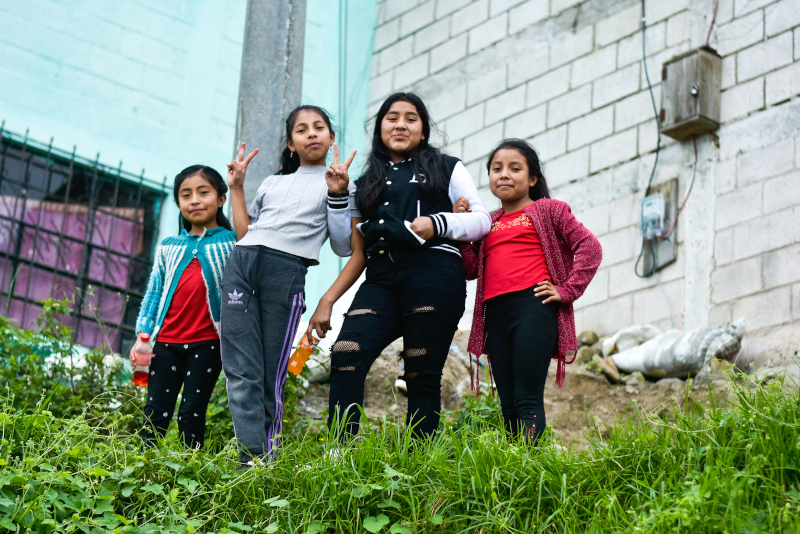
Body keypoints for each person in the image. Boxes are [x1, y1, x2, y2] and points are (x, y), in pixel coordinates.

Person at [307, 92, 491, 441]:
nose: (401, 124)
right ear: (379, 128)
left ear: (423, 131)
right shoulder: (364, 183)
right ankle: (337, 456)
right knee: (346, 354)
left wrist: (437, 223)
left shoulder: (447, 167)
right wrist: (338, 194)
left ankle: (420, 461)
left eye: (411, 118)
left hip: (434, 271)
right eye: (392, 117)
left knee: (421, 371)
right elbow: (346, 245)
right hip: (380, 278)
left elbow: (481, 220)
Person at [221, 105, 356, 466]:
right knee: (239, 367)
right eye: (302, 130)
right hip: (242, 264)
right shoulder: (271, 182)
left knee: (269, 371)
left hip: (285, 271)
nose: (311, 133)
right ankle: (249, 459)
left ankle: (267, 459)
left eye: (319, 128)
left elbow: (344, 246)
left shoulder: (341, 182)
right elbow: (245, 233)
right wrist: (236, 188)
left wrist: (339, 194)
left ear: (331, 138)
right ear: (290, 143)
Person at [459, 138, 602, 443]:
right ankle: (515, 465)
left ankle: (531, 464)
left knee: (526, 398)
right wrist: (461, 226)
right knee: (508, 404)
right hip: (495, 316)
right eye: (496, 169)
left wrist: (567, 290)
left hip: (533, 308)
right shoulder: (487, 223)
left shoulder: (549, 210)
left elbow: (590, 247)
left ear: (532, 178)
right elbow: (470, 269)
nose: (504, 174)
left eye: (514, 168)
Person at [132, 165, 237, 449]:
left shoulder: (233, 243)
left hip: (207, 344)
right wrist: (143, 335)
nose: (194, 200)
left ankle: (190, 471)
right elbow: (154, 293)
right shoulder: (169, 246)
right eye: (185, 195)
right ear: (178, 202)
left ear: (221, 199)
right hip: (166, 343)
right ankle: (143, 471)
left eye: (203, 193)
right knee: (155, 413)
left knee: (191, 412)